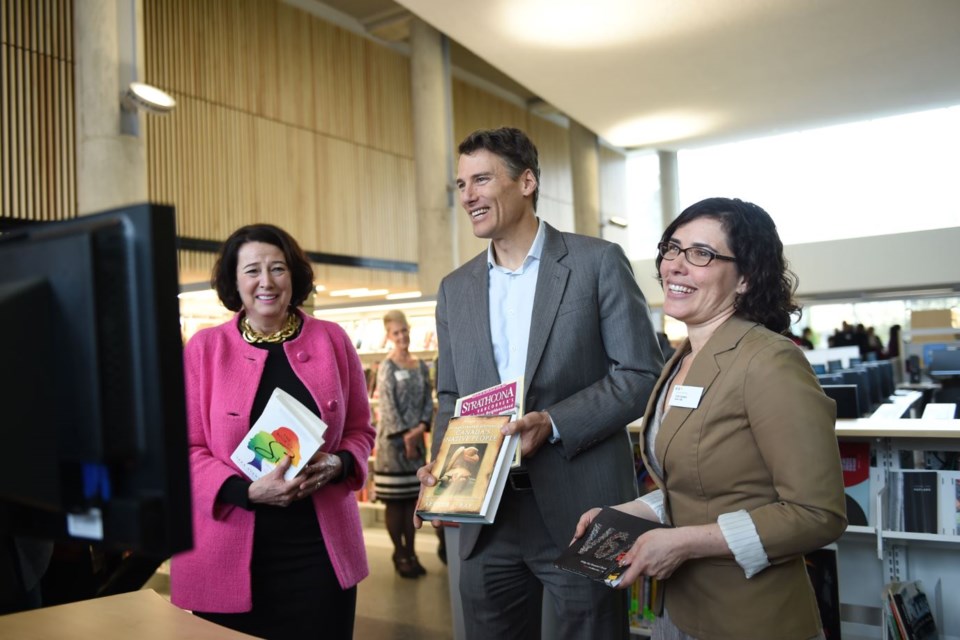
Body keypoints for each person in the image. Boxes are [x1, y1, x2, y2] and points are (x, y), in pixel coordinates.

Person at [417, 127, 663, 639]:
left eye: (481, 179)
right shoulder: (454, 288)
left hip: (586, 508)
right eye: (461, 184)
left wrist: (552, 423)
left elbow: (640, 374)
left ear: (526, 181)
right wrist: (443, 471)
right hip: (488, 519)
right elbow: (450, 397)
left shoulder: (596, 262)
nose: (468, 196)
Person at [574, 197, 847, 640]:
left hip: (749, 618)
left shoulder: (769, 360)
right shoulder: (681, 359)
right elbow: (695, 486)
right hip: (678, 610)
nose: (676, 265)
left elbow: (818, 514)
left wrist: (684, 543)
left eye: (701, 254)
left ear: (746, 278)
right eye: (672, 248)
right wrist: (631, 512)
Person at [170, 224, 375, 639]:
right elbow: (185, 447)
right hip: (230, 545)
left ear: (294, 276)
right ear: (234, 281)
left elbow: (360, 431)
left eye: (278, 268)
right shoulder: (204, 350)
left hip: (319, 550)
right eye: (252, 271)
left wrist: (339, 462)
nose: (266, 282)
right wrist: (245, 492)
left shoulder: (333, 340)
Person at [373, 309, 432, 579]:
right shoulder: (386, 367)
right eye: (396, 332)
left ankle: (413, 551)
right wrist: (405, 436)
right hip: (393, 447)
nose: (402, 336)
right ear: (388, 336)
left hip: (417, 444)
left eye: (404, 330)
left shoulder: (420, 365)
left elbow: (427, 403)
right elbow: (387, 407)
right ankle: (400, 553)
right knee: (395, 504)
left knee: (413, 502)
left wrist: (419, 429)